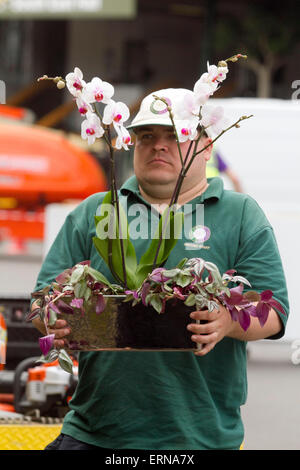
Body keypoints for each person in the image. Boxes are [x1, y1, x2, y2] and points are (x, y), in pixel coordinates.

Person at [31, 88, 289, 451]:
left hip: (198, 437)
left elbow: (275, 310)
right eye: (147, 137)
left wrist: (226, 322)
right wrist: (53, 319)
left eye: (175, 135)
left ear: (206, 146)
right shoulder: (96, 211)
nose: (159, 146)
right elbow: (42, 301)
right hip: (94, 432)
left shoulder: (240, 214)